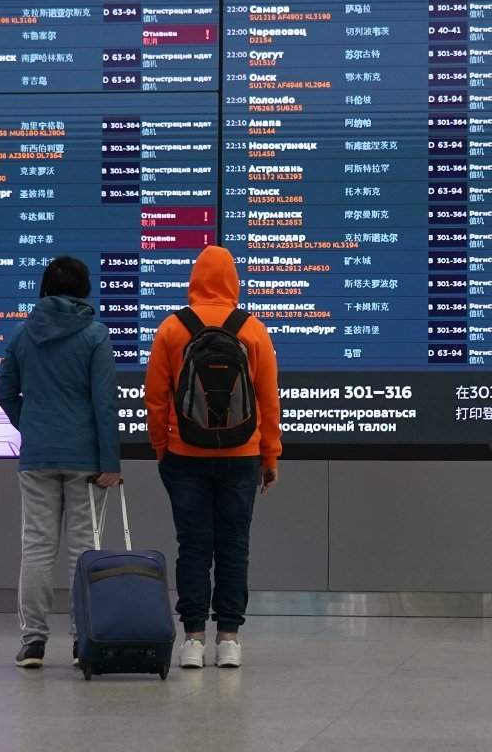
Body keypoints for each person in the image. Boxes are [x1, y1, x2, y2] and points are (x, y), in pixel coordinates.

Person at [143, 245, 281, 670]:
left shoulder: (172, 328)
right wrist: (269, 456)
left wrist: (162, 448)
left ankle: (193, 640)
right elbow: (268, 401)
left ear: (195, 279)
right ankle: (230, 640)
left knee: (194, 545)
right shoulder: (252, 329)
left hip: (185, 455)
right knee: (235, 545)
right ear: (233, 280)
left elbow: (155, 398)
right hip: (242, 455)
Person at [0, 255, 122, 669]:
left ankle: (32, 642)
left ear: (44, 288)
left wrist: (30, 426)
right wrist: (111, 462)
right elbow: (104, 404)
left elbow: (4, 392)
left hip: (37, 456)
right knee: (83, 551)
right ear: (85, 289)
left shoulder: (21, 334)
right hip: (86, 457)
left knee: (37, 547)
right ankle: (82, 640)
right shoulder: (96, 336)